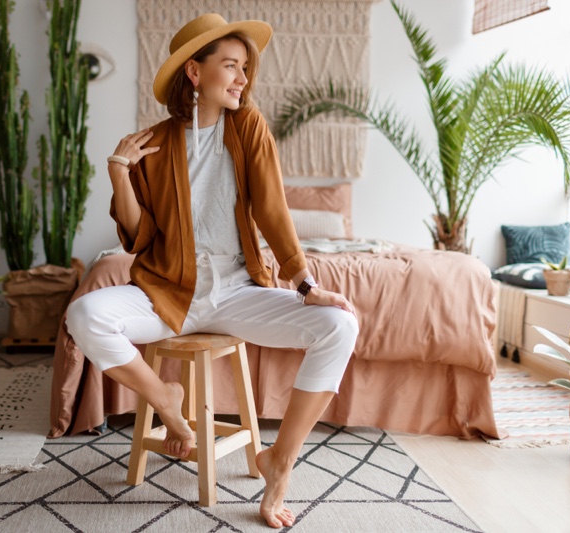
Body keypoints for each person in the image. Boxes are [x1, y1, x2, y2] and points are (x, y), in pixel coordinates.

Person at [65, 13, 359, 529]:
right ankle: (164, 398)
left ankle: (279, 463)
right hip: (168, 294)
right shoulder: (153, 143)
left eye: (245, 67)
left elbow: (272, 208)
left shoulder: (247, 125)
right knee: (84, 314)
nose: (243, 78)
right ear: (195, 74)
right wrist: (118, 174)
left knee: (339, 324)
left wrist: (304, 282)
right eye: (231, 65)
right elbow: (137, 237)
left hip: (237, 292)